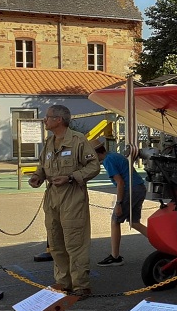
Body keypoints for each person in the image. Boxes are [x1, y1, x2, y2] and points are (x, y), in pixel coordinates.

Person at [29, 105, 100, 297]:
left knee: (74, 242)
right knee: (56, 241)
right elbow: (42, 165)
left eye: (48, 117)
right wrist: (38, 176)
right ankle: (63, 283)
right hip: (52, 198)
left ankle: (80, 286)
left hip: (72, 198)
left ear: (59, 120)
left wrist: (70, 177)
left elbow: (94, 166)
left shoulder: (77, 140)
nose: (45, 120)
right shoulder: (50, 142)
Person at [93, 140, 147, 266]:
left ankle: (115, 256)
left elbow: (120, 183)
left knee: (115, 221)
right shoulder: (113, 155)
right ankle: (161, 243)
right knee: (134, 222)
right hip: (139, 187)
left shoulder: (108, 161)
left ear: (95, 153)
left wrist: (118, 203)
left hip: (131, 189)